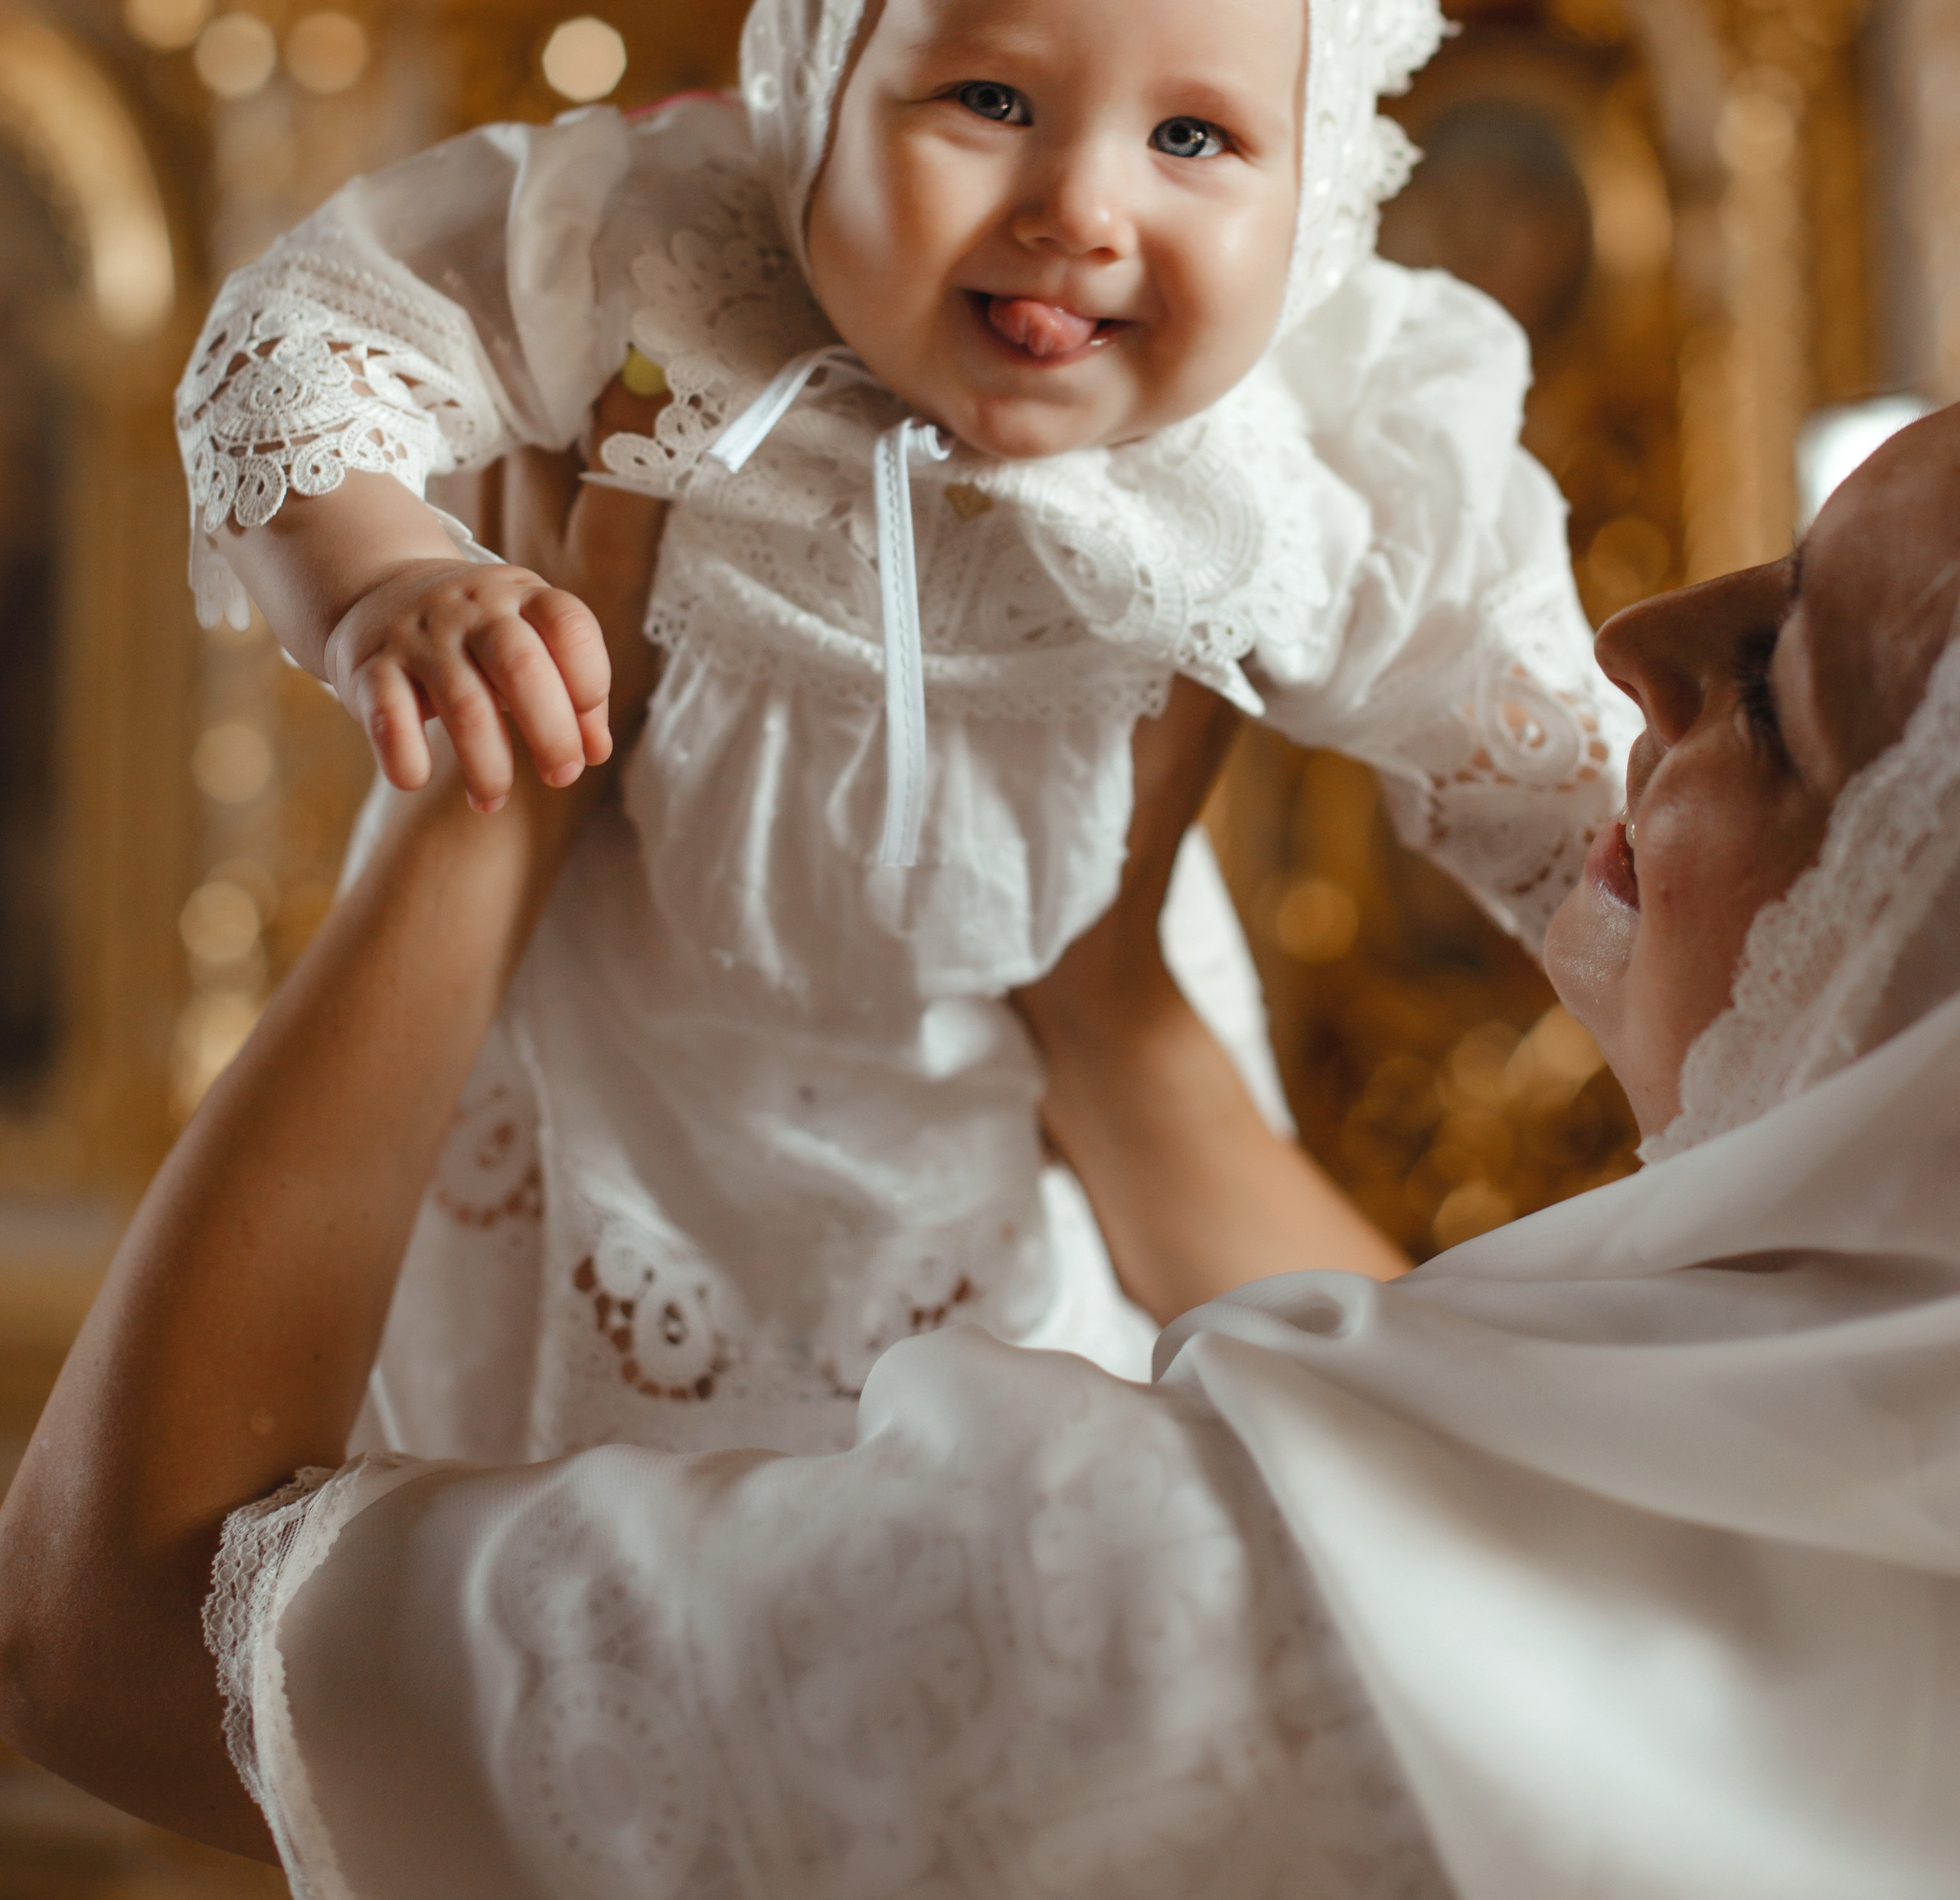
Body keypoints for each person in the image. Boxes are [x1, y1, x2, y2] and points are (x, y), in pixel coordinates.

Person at [4, 402, 1959, 1898]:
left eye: (1781, 691)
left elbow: (119, 1635)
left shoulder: (1165, 1613)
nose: (1636, 635)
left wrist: (480, 812)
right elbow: (1460, 1479)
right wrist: (1103, 1011)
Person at [169, 0, 1627, 1457]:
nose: (1080, 204)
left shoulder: (1311, 437)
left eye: (1193, 139)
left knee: (1007, 1513)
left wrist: (1731, 987)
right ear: (819, 82)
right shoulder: (668, 252)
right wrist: (392, 572)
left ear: (1321, 178)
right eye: (989, 98)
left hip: (1020, 1151)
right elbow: (315, 326)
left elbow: (1544, 761)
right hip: (612, 1101)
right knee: (560, 1529)